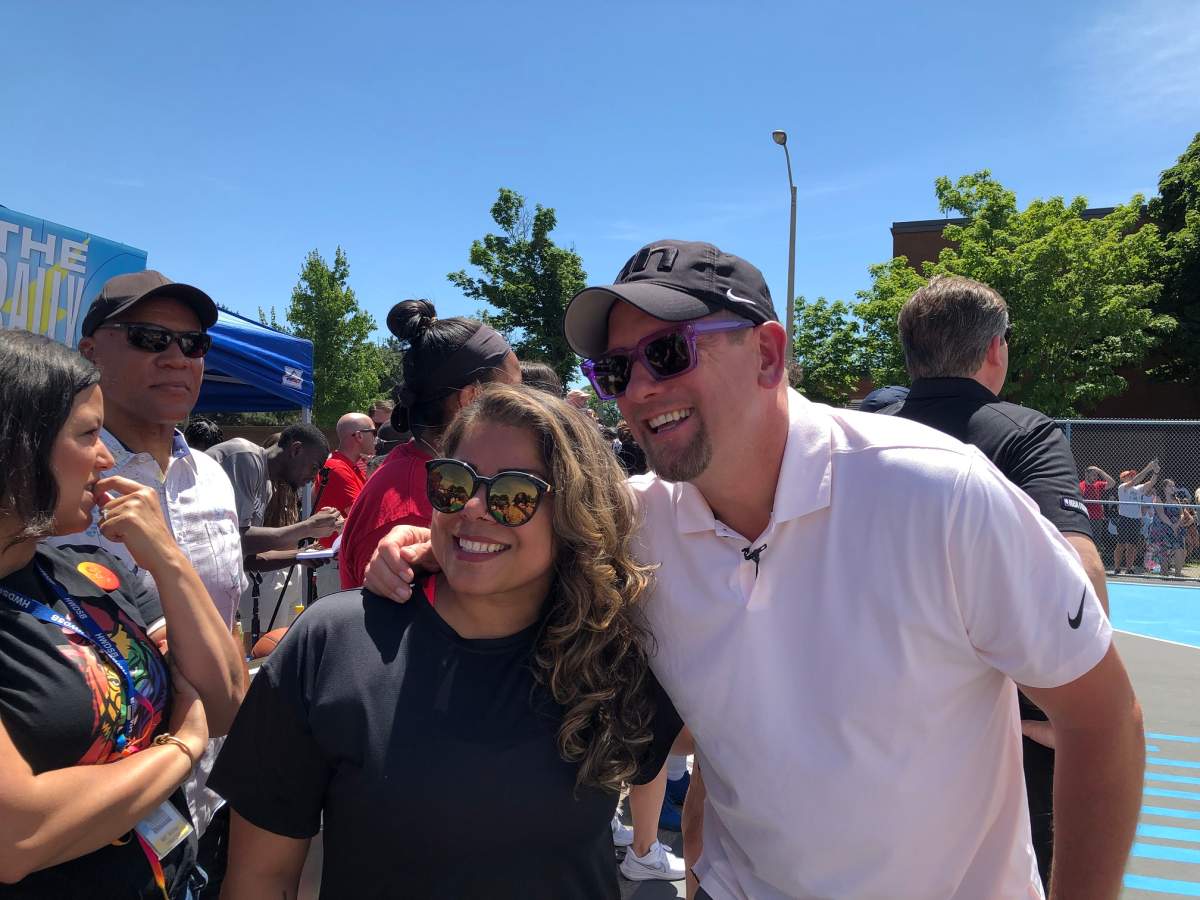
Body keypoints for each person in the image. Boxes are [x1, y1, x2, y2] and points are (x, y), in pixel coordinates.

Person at [367, 238, 1144, 899]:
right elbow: (508, 534)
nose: (640, 389)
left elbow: (1103, 719)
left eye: (668, 353)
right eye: (616, 370)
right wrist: (424, 544)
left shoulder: (938, 492)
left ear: (769, 354)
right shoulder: (634, 522)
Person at [210, 384, 684, 897]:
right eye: (455, 483)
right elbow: (260, 879)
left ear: (574, 511)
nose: (474, 507)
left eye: (514, 494)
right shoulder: (332, 643)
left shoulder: (614, 649)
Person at [890, 275, 1113, 887]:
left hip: (868, 710)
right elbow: (1080, 573)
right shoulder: (1022, 433)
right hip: (997, 717)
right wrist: (1073, 708)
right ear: (995, 347)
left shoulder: (859, 426)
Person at [0, 330, 240, 898]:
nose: (107, 457)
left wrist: (167, 558)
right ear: (17, 446)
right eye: (88, 434)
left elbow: (226, 700)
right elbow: (18, 834)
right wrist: (181, 747)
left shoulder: (92, 570)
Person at [337, 299, 520, 589]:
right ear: (471, 399)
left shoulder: (430, 478)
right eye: (514, 394)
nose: (526, 409)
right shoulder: (413, 507)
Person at [205, 424, 343, 568]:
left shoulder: (267, 488)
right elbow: (235, 540)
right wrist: (307, 527)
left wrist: (300, 556)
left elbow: (246, 558)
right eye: (314, 467)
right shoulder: (244, 456)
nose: (314, 477)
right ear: (296, 450)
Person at [1115, 460, 1160, 574]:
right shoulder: (1122, 487)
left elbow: (1151, 482)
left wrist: (1155, 472)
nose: (1131, 477)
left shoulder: (1138, 488)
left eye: (1132, 475)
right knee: (1121, 545)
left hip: (1135, 520)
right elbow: (1136, 480)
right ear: (1122, 478)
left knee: (1132, 546)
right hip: (1124, 519)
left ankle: (1129, 568)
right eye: (1128, 475)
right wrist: (1148, 467)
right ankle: (1117, 567)